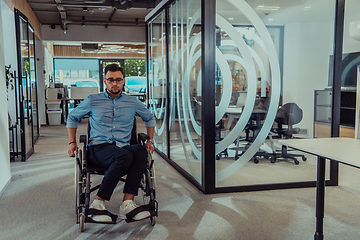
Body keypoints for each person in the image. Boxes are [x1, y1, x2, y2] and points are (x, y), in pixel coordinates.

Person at [67, 64, 155, 223]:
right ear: (104, 81)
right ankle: (98, 202)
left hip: (123, 148)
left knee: (140, 151)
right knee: (125, 156)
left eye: (118, 80)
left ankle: (127, 204)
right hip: (98, 149)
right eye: (111, 80)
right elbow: (72, 117)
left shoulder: (132, 102)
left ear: (123, 81)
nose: (115, 84)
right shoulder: (93, 100)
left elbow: (150, 118)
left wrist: (149, 139)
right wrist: (72, 142)